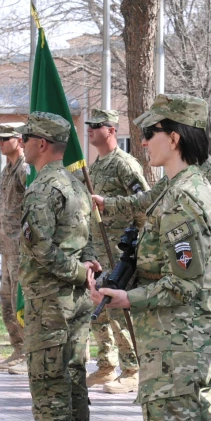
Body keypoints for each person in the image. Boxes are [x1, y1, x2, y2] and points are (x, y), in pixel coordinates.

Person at [90, 94, 211, 421]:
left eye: (149, 134)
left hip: (180, 353)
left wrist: (129, 297)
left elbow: (188, 284)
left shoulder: (184, 197)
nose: (143, 142)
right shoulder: (177, 190)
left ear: (174, 137)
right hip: (180, 348)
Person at [0, 112, 100, 421]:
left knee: (48, 381)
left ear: (42, 144)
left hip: (51, 302)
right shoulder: (75, 185)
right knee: (73, 377)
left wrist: (78, 271)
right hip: (73, 303)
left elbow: (39, 247)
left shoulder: (42, 188)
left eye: (28, 137)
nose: (22, 141)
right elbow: (85, 239)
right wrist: (88, 265)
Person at [82, 109, 148, 394]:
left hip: (116, 251)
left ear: (110, 130)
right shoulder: (95, 166)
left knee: (118, 312)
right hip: (98, 249)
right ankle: (106, 365)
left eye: (96, 126)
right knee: (98, 311)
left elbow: (144, 202)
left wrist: (137, 245)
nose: (90, 130)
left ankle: (132, 369)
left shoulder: (125, 164)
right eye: (89, 125)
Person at [0, 123, 30, 373]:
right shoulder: (7, 170)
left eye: (5, 138)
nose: (0, 143)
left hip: (20, 247)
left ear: (19, 140)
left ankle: (28, 352)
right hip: (6, 247)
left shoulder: (25, 170)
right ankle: (17, 348)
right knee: (6, 300)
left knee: (19, 300)